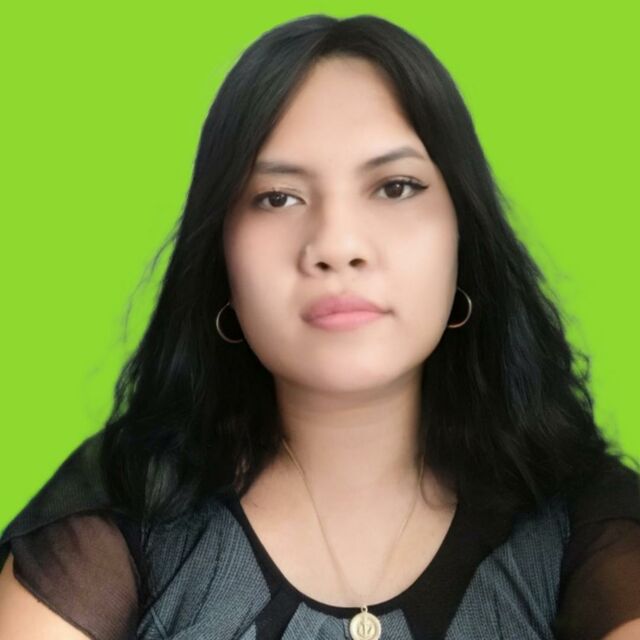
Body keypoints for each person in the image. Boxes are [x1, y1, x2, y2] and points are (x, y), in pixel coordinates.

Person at [1, 13, 639, 640]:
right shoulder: (122, 515)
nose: (336, 245)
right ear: (221, 256)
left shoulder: (585, 523)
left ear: (463, 236)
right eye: (277, 197)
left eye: (395, 187)